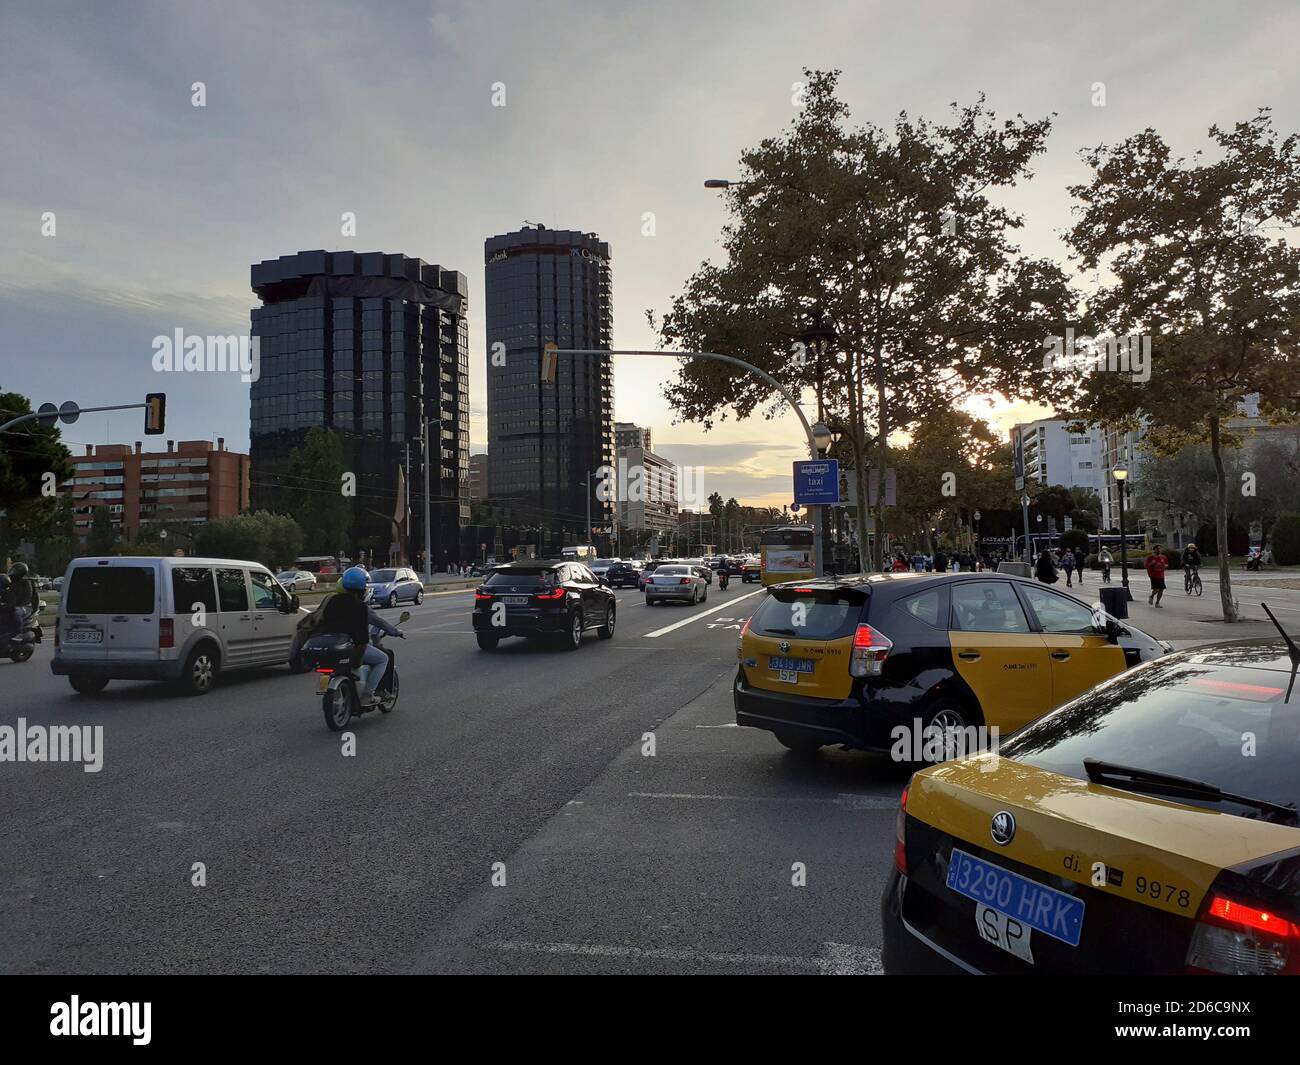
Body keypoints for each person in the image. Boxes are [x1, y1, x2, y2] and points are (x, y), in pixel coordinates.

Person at [319, 566, 401, 706]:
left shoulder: (331, 601)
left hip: (331, 645)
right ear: (362, 587)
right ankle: (367, 695)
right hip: (350, 646)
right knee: (383, 659)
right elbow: (362, 637)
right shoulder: (360, 607)